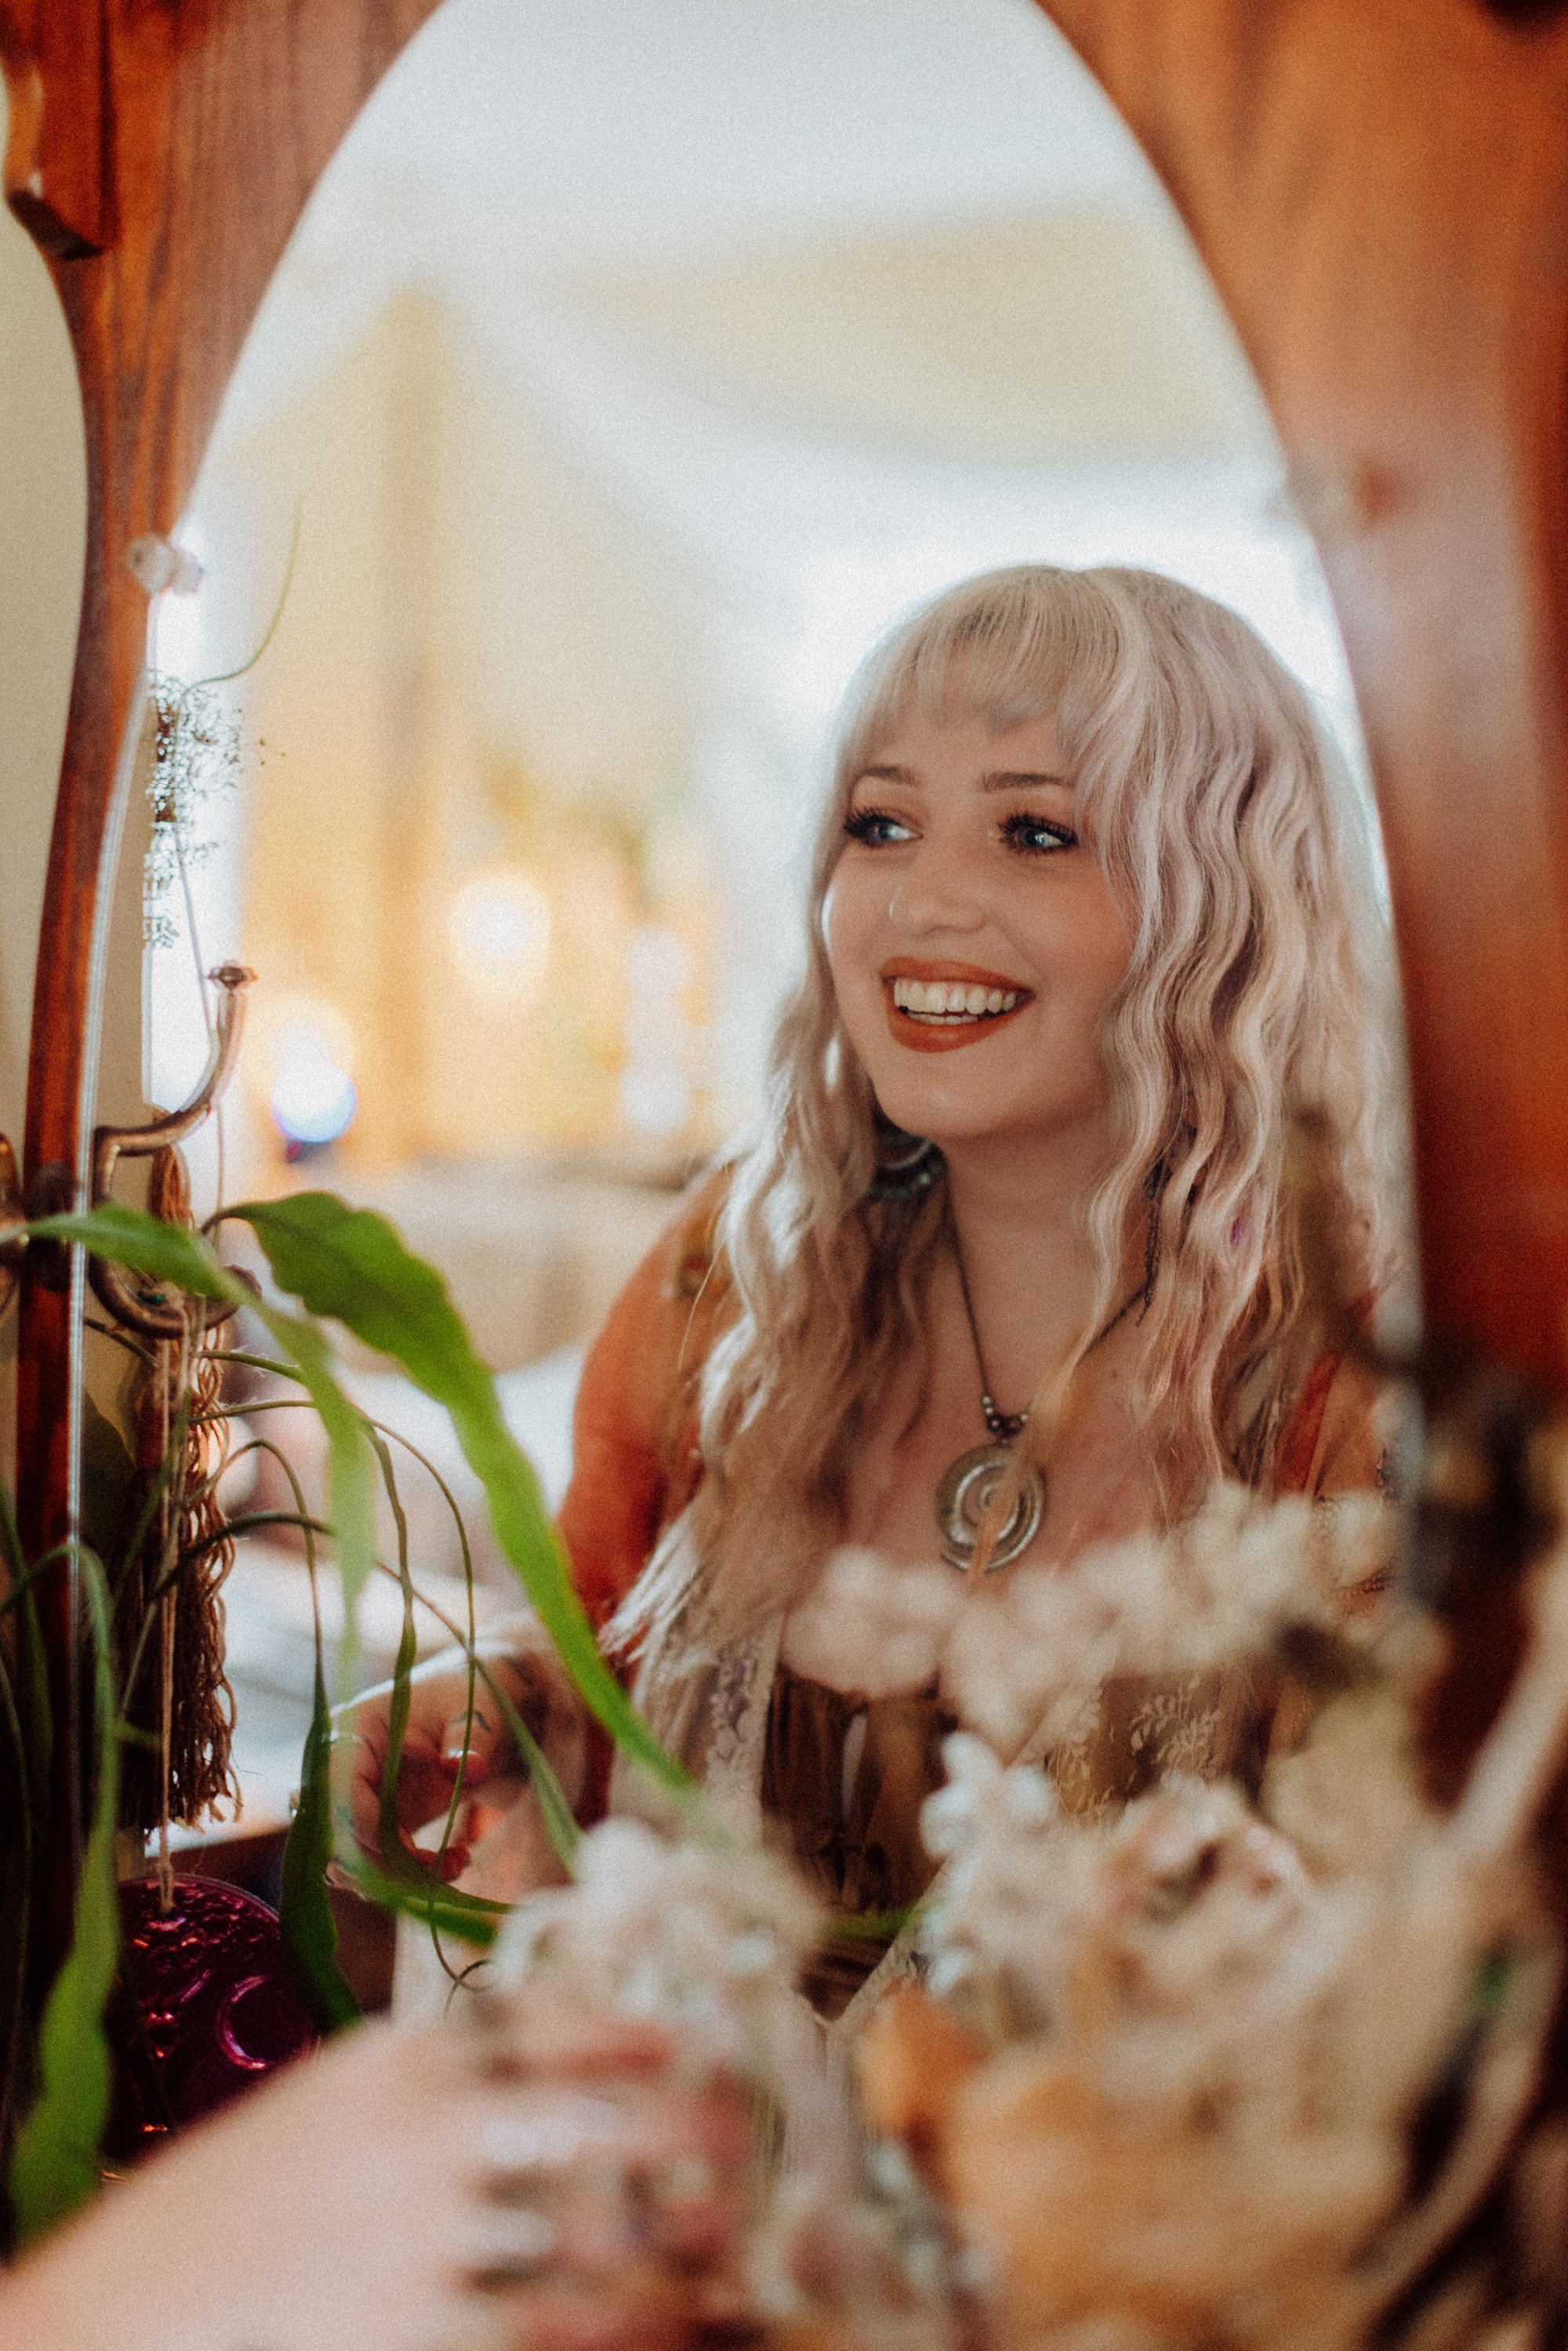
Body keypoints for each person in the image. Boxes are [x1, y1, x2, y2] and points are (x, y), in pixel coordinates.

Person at [343, 563, 1403, 2025]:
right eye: (879, 823)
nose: (924, 900)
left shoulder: (1365, 1398)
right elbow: (600, 1670)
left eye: (1038, 831)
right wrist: (500, 1708)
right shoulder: (739, 1273)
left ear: (1228, 912)